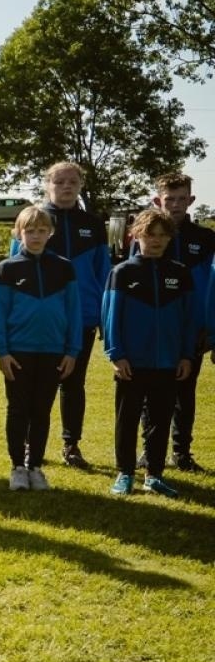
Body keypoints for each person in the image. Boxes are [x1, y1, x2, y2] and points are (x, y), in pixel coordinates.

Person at [13, 162, 112, 469]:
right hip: (40, 321)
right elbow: (14, 270)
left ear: (80, 185)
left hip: (82, 317)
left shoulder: (93, 224)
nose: (66, 186)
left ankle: (71, 445)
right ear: (47, 185)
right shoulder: (34, 218)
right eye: (59, 181)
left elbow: (104, 273)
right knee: (35, 386)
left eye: (73, 181)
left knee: (73, 384)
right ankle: (31, 445)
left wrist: (102, 316)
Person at [104, 209, 195, 497]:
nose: (155, 240)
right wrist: (116, 354)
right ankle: (125, 473)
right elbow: (110, 317)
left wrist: (186, 355)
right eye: (149, 234)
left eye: (162, 235)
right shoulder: (122, 273)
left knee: (160, 420)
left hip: (168, 362)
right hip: (131, 363)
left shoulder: (180, 273)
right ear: (136, 235)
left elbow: (189, 319)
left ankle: (153, 475)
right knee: (127, 419)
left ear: (170, 238)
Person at [0, 206, 81, 490]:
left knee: (42, 411)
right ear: (19, 233)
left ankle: (36, 467)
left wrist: (72, 351)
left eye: (42, 231)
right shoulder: (7, 269)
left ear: (50, 233)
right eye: (30, 231)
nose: (36, 236)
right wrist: (2, 351)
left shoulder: (64, 267)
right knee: (18, 409)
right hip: (18, 352)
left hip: (53, 352)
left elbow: (74, 311)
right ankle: (18, 467)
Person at [145, 173, 214, 471]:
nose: (175, 204)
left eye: (181, 198)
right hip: (154, 329)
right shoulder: (145, 233)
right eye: (169, 199)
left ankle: (181, 452)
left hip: (192, 330)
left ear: (191, 200)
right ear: (157, 200)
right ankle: (150, 452)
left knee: (185, 393)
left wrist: (209, 330)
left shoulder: (206, 239)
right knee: (150, 393)